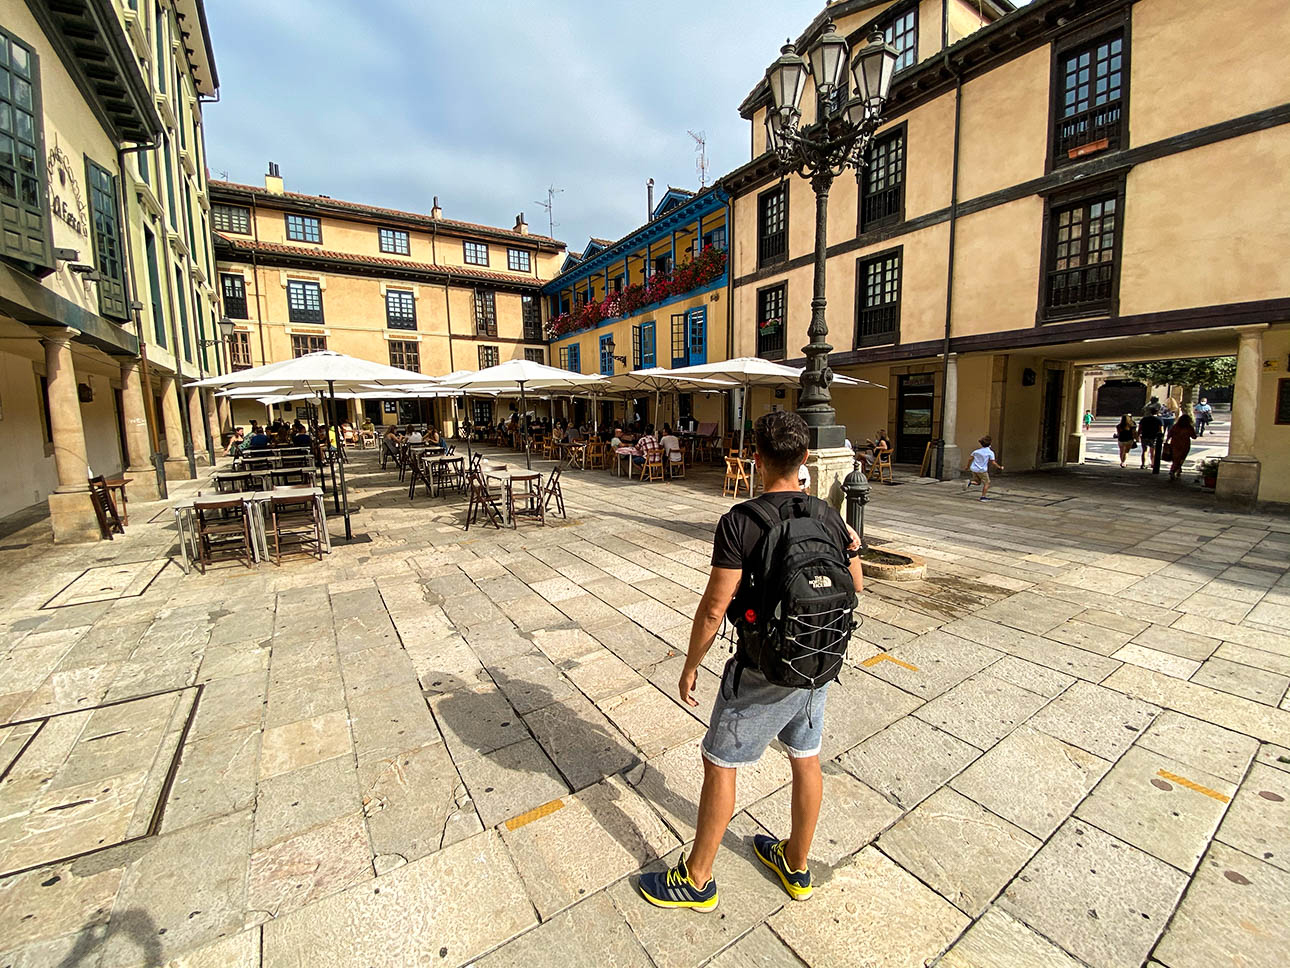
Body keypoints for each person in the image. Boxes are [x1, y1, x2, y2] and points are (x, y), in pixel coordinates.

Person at [637, 411, 862, 911]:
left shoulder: (740, 522)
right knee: (805, 757)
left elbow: (716, 607)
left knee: (719, 762)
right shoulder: (828, 515)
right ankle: (797, 863)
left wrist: (691, 662)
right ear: (804, 460)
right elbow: (857, 586)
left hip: (764, 666)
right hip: (819, 659)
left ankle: (697, 880)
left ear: (756, 458)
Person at [963, 435, 1004, 500]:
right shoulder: (990, 452)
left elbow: (970, 459)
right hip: (982, 470)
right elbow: (993, 462)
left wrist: (967, 466)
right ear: (990, 444)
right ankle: (983, 497)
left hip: (974, 468)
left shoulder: (976, 451)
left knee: (978, 482)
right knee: (987, 483)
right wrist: (1000, 467)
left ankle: (970, 482)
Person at [1166, 409, 1198, 481]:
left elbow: (1169, 434)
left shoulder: (1175, 426)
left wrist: (1167, 440)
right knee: (1181, 458)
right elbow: (1194, 436)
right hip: (1185, 444)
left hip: (1174, 443)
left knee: (1175, 458)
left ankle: (1177, 469)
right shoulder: (1189, 427)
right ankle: (1174, 470)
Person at [1138, 408, 1164, 473]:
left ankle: (1143, 464)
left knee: (1145, 451)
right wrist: (1161, 437)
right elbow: (1161, 430)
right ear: (1157, 412)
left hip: (1144, 436)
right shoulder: (1159, 419)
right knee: (1153, 451)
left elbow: (1140, 428)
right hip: (1154, 437)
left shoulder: (1144, 419)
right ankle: (1153, 464)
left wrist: (1138, 435)